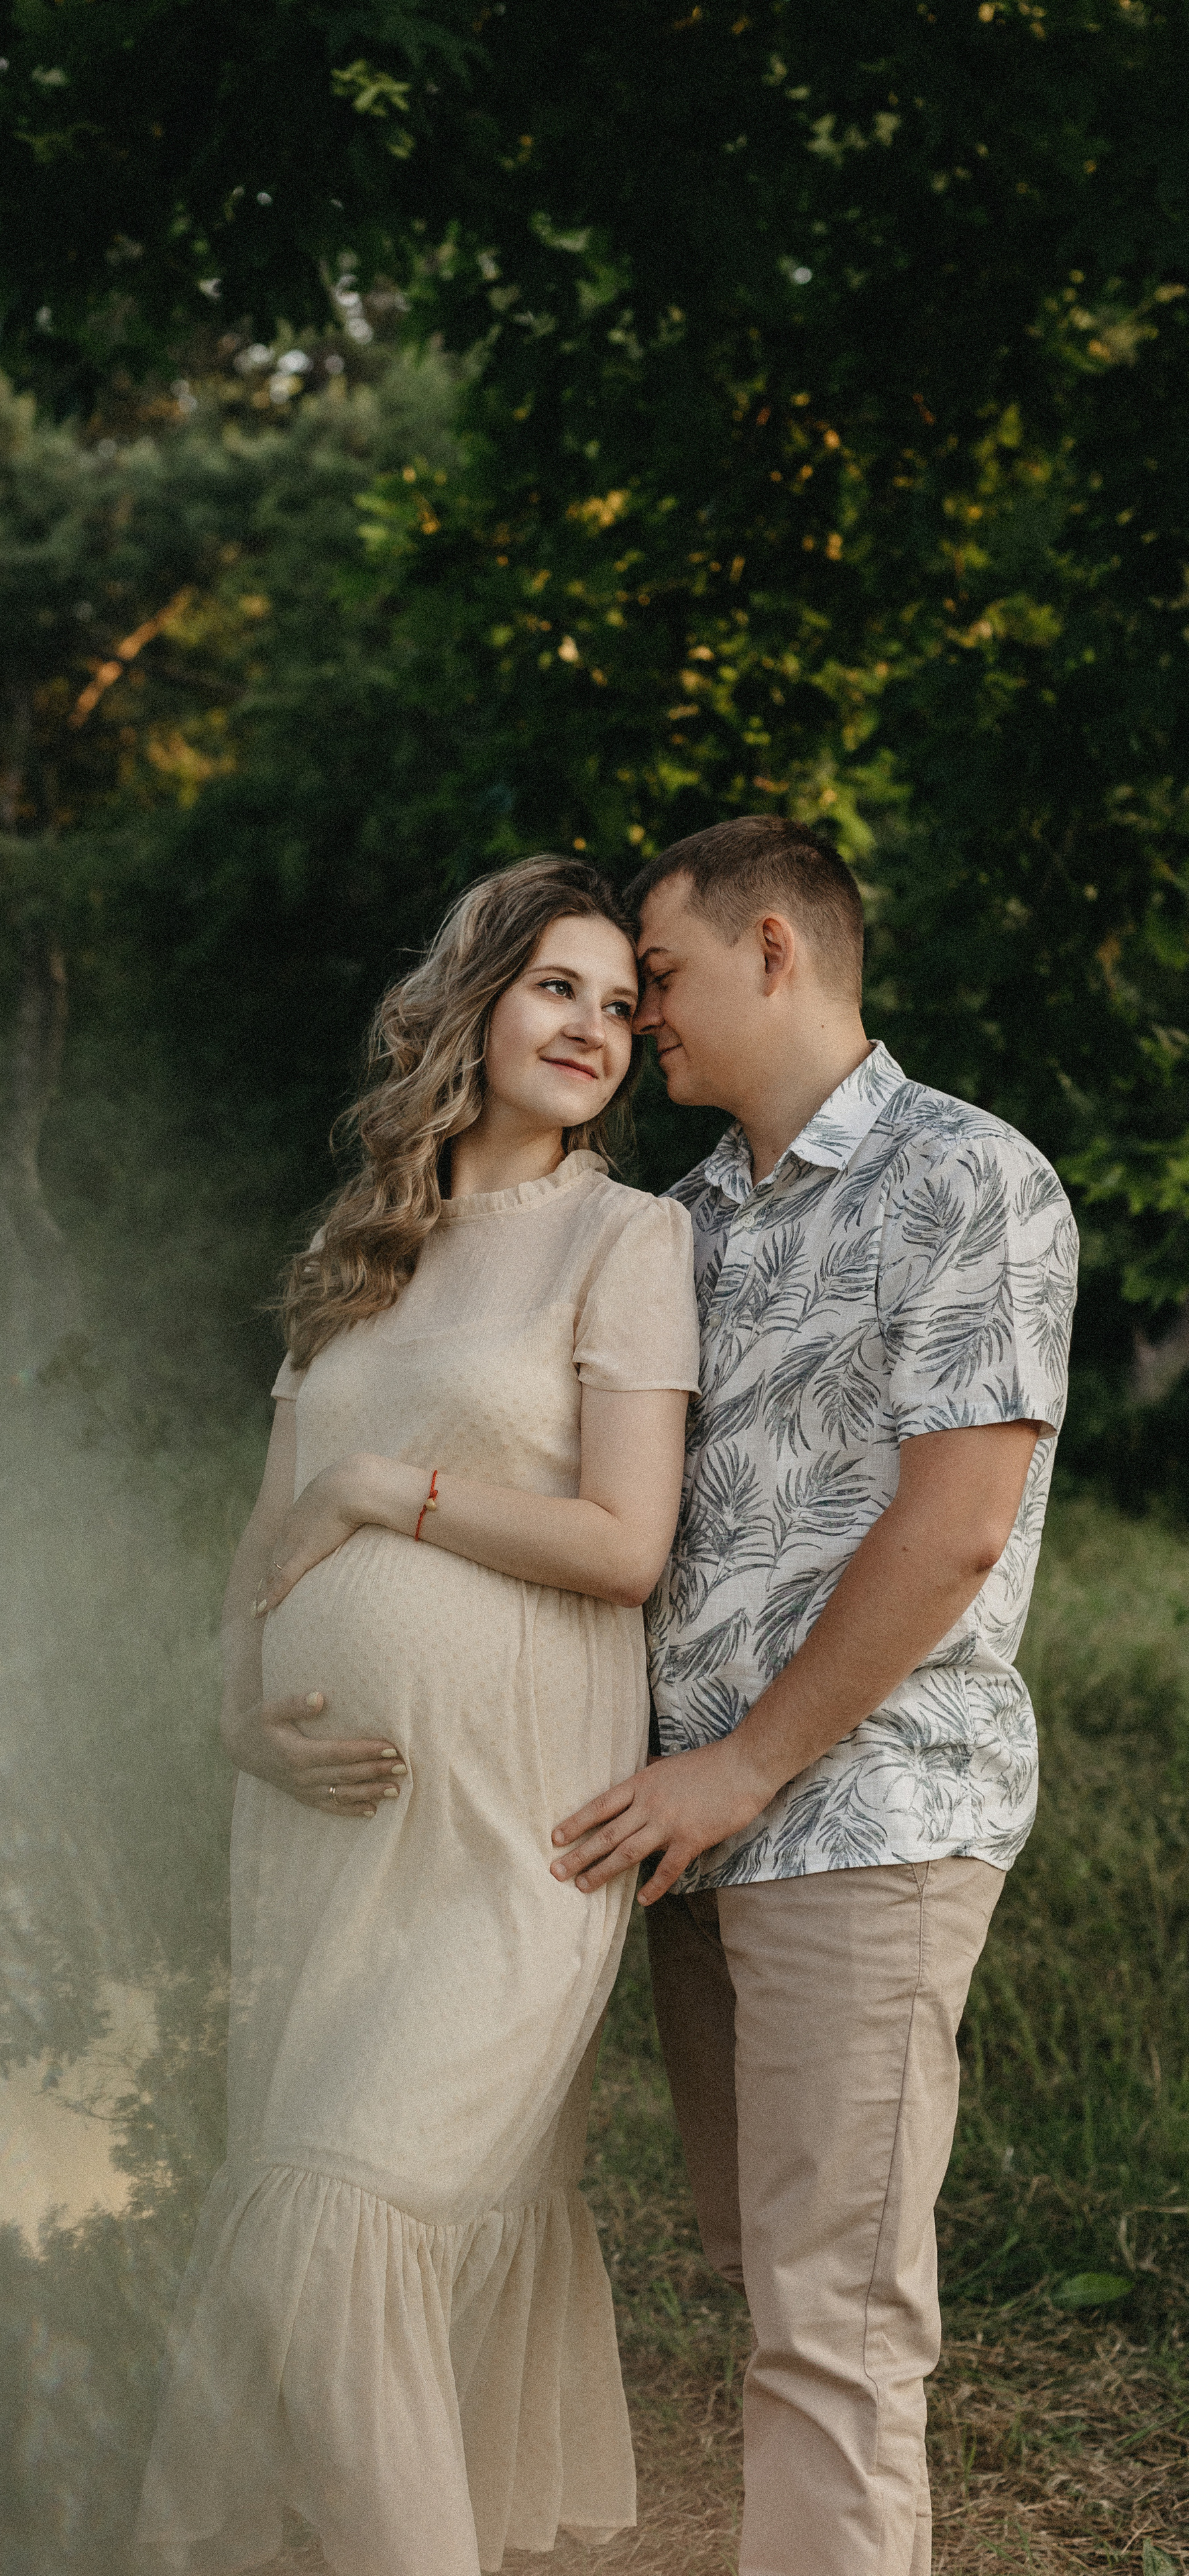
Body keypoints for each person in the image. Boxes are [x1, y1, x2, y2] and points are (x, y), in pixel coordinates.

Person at [134, 856, 701, 2575]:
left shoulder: (628, 1235)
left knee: (336, 2224)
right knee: (309, 2239)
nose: (594, 1028)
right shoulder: (357, 1245)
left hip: (513, 1832)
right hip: (323, 1837)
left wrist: (396, 1487)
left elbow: (622, 1544)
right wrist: (236, 1710)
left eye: (621, 1005)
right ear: (472, 999)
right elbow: (264, 1526)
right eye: (557, 988)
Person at [551, 816, 1080, 2576]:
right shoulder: (684, 1224)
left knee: (836, 2326)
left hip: (859, 1810)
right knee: (760, 2273)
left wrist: (745, 1769)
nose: (642, 1020)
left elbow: (956, 1532)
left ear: (777, 949)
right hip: (700, 1835)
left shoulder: (967, 1177)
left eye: (665, 979)